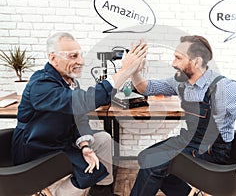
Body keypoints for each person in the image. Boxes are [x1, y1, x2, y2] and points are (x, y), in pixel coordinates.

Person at [129, 35, 236, 196]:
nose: (172, 63)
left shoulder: (223, 88)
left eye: (178, 58)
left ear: (196, 62)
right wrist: (134, 72)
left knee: (154, 162)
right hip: (189, 141)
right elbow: (146, 88)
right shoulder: (180, 82)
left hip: (212, 152)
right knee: (146, 157)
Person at [11, 32, 147, 196]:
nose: (81, 61)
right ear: (53, 58)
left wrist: (85, 146)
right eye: (73, 56)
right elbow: (83, 101)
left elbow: (79, 116)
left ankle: (101, 191)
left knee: (103, 140)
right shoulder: (41, 84)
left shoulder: (70, 81)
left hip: (60, 140)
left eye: (80, 55)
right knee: (88, 171)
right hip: (37, 149)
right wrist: (124, 71)